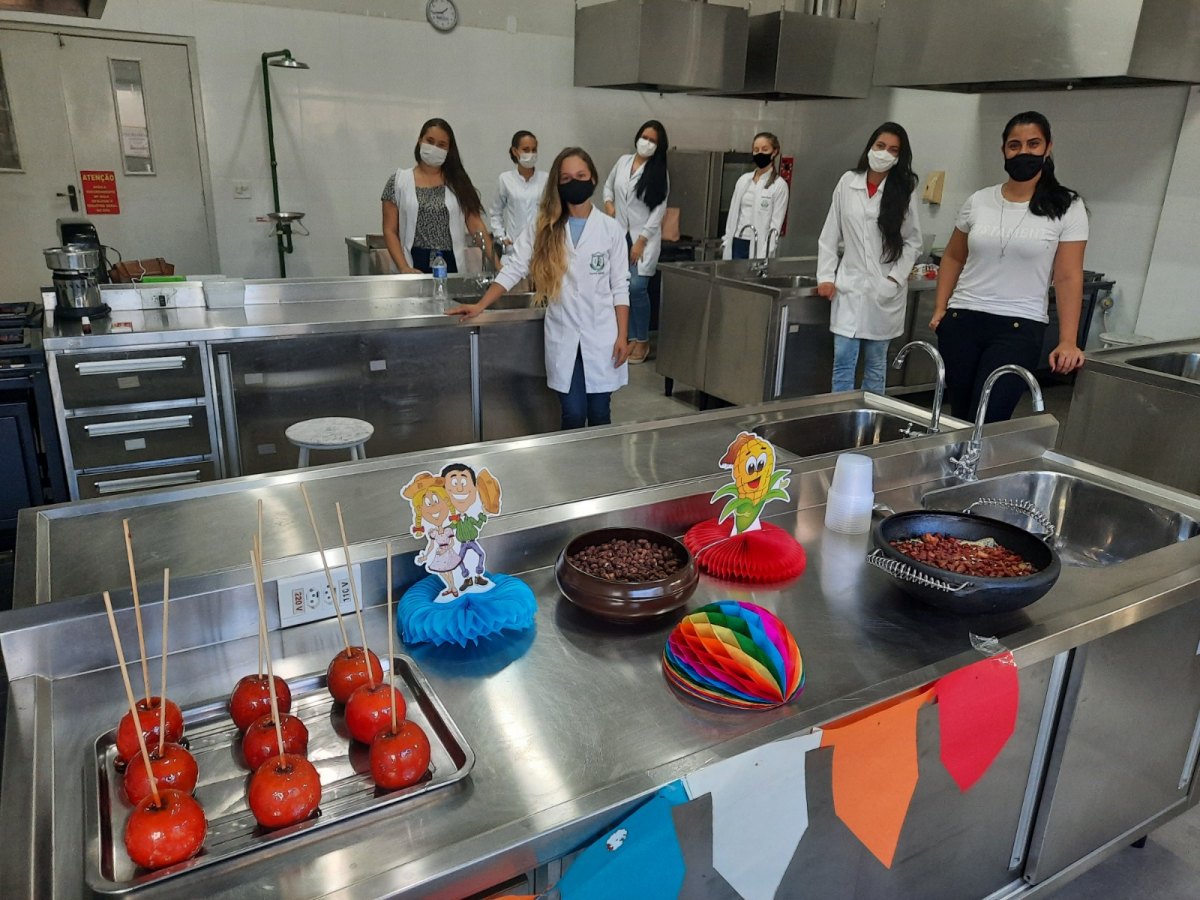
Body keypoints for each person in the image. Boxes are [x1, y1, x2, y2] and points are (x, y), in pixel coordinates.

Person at [449, 148, 631, 429]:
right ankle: (572, 468)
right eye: (567, 178)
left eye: (581, 176)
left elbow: (620, 286)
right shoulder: (544, 227)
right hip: (565, 332)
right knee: (572, 411)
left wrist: (622, 335)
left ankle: (599, 471)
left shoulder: (611, 230)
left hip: (602, 335)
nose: (575, 182)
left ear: (593, 178)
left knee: (599, 414)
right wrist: (480, 305)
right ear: (557, 184)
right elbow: (514, 267)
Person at [932, 111, 1087, 422]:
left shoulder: (1067, 206)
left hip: (1019, 325)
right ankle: (956, 470)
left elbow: (1069, 276)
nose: (1023, 152)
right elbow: (952, 257)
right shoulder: (979, 201)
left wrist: (1068, 340)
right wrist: (940, 309)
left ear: (1048, 147)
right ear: (1003, 149)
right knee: (959, 416)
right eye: (1015, 145)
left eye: (1033, 144)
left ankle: (981, 470)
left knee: (988, 417)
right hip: (963, 319)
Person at [817, 122, 923, 394]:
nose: (884, 153)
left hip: (884, 289)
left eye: (893, 149)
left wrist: (893, 278)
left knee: (876, 365)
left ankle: (869, 427)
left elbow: (913, 242)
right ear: (870, 147)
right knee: (842, 360)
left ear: (900, 156)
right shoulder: (847, 181)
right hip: (849, 286)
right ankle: (838, 418)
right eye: (880, 146)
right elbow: (830, 233)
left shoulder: (905, 189)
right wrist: (826, 277)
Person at [381, 117, 493, 275]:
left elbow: (476, 226)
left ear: (449, 150)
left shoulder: (458, 182)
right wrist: (404, 267)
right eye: (430, 141)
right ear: (420, 141)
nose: (435, 148)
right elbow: (389, 230)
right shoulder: (398, 182)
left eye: (441, 145)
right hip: (412, 262)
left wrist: (497, 264)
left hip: (451, 263)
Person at [603, 120, 669, 364]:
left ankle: (642, 341)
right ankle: (629, 337)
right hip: (619, 234)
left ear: (659, 146)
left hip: (644, 238)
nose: (647, 142)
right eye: (644, 137)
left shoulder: (659, 172)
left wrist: (641, 241)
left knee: (637, 288)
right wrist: (609, 205)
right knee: (620, 287)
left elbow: (658, 211)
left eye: (652, 140)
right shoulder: (623, 162)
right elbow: (608, 187)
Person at [722, 132, 790, 260]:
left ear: (774, 152)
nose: (760, 153)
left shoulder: (779, 185)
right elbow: (732, 214)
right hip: (737, 241)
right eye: (756, 150)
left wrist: (766, 253)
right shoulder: (743, 180)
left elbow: (775, 225)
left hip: (760, 245)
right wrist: (727, 241)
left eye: (765, 149)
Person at [490, 130, 549, 257]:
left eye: (534, 150)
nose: (531, 154)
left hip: (540, 248)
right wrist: (501, 236)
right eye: (526, 149)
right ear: (515, 151)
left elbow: (553, 211)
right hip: (513, 248)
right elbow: (495, 212)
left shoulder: (546, 179)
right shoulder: (505, 179)